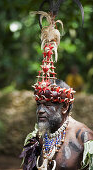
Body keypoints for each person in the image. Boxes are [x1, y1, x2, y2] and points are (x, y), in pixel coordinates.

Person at [20, 0, 93, 169]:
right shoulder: (36, 137)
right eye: (39, 104)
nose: (40, 110)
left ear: (64, 108)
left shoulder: (84, 138)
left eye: (48, 104)